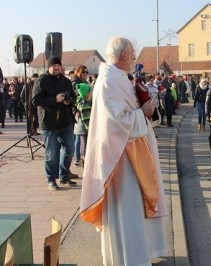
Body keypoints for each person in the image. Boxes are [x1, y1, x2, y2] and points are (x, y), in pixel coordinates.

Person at [79, 36, 167, 265]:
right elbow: (114, 122)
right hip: (119, 158)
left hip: (131, 151)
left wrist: (144, 107)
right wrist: (142, 112)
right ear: (124, 54)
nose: (135, 56)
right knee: (126, 207)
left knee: (134, 206)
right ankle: (128, 257)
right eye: (133, 52)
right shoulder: (108, 80)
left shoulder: (119, 77)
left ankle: (140, 253)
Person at [32, 56, 77, 191]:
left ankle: (64, 174)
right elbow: (35, 100)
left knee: (69, 148)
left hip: (65, 120)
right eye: (54, 65)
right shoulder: (42, 81)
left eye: (59, 65)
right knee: (51, 153)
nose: (57, 67)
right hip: (49, 122)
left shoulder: (65, 81)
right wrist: (54, 99)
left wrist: (69, 101)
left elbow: (73, 97)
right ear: (49, 66)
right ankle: (51, 179)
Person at [72, 65, 92, 166]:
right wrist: (75, 110)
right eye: (83, 72)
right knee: (81, 136)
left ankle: (81, 157)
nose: (86, 74)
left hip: (85, 111)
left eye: (87, 72)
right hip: (80, 112)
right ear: (79, 72)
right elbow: (73, 98)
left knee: (82, 136)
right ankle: (79, 158)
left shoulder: (83, 82)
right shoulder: (75, 83)